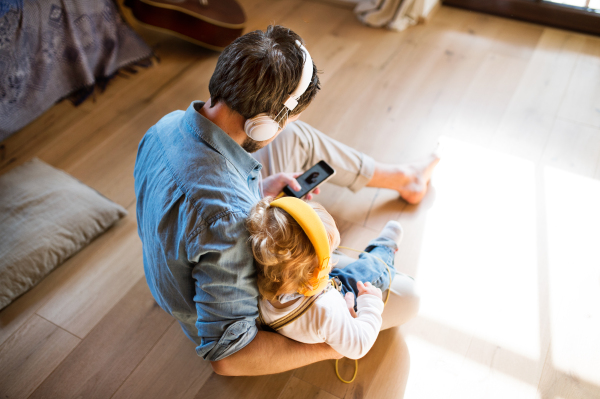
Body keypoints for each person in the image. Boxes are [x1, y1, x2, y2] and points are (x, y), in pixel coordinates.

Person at [134, 25, 435, 376]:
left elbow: (199, 199)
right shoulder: (228, 222)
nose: (280, 128)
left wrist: (258, 192)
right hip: (221, 305)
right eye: (280, 120)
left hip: (188, 254)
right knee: (408, 297)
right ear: (259, 125)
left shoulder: (164, 126)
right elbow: (228, 358)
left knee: (293, 135)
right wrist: (334, 342)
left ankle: (401, 177)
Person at [247, 196, 404, 360]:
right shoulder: (327, 310)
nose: (331, 261)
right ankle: (385, 248)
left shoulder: (262, 280)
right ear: (312, 277)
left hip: (304, 304)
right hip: (332, 300)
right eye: (328, 255)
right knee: (368, 269)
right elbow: (360, 344)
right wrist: (371, 304)